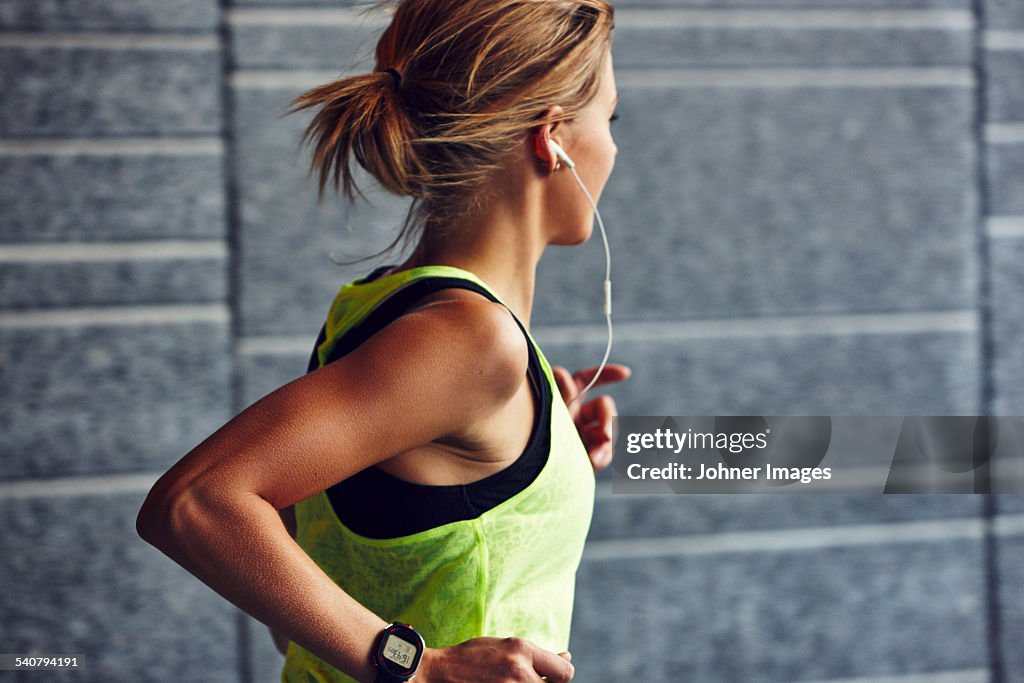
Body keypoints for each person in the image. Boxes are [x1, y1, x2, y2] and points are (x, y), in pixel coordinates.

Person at [135, 0, 629, 680]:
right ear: (553, 139)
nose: (613, 147)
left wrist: (540, 463)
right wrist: (416, 667)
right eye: (610, 117)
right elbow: (194, 502)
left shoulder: (386, 308)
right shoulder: (471, 340)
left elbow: (366, 555)